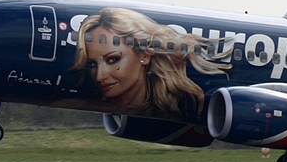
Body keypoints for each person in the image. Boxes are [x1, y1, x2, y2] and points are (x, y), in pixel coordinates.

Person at [70, 7, 231, 121]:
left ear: (145, 54)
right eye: (91, 64)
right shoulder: (164, 105)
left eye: (113, 59)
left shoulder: (191, 102)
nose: (99, 76)